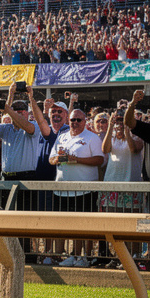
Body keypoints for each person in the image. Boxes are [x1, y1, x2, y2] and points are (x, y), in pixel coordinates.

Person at [49, 108, 104, 267]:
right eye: (73, 120)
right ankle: (66, 256)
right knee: (63, 225)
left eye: (78, 120)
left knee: (82, 225)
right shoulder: (62, 136)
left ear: (85, 121)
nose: (75, 123)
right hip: (62, 188)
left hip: (84, 189)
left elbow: (99, 160)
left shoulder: (91, 137)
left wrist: (78, 160)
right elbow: (51, 159)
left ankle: (82, 257)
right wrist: (58, 159)